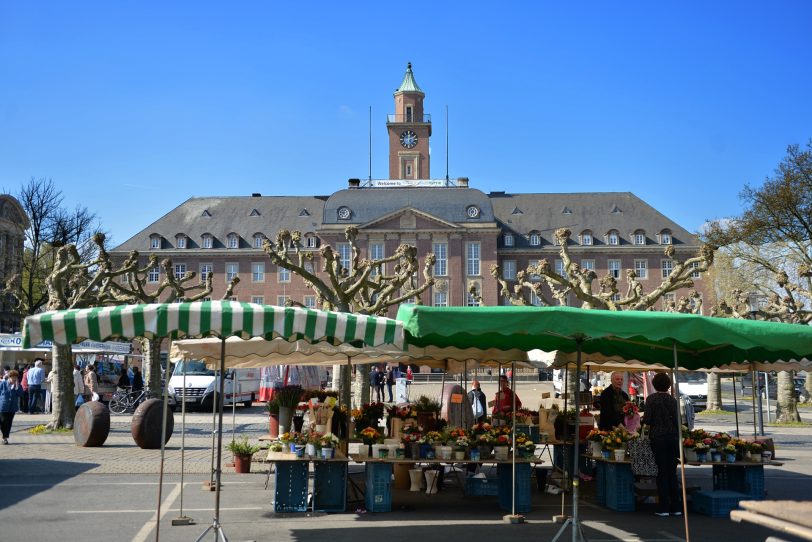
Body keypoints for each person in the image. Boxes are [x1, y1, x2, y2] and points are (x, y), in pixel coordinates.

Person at [643, 372, 681, 517]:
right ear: (668, 385)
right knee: (672, 472)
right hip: (672, 437)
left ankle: (663, 506)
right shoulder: (673, 400)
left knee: (662, 472)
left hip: (658, 438)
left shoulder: (651, 399)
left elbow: (647, 420)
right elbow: (677, 420)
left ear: (654, 384)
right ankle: (676, 506)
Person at [0, 370, 23, 444]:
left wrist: (17, 387)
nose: (14, 380)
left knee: (9, 423)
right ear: (9, 377)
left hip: (12, 407)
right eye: (13, 378)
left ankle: (5, 438)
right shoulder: (3, 384)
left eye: (15, 378)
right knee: (3, 422)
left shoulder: (18, 386)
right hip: (3, 406)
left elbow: (21, 394)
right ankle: (4, 436)